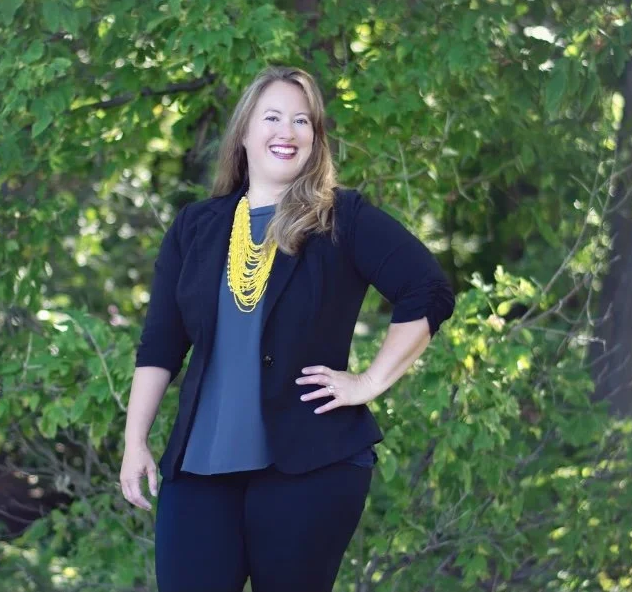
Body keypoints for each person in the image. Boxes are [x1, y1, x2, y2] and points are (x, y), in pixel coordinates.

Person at [120, 65, 455, 592]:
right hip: (200, 468)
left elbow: (428, 290)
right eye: (273, 117)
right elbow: (160, 345)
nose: (288, 131)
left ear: (315, 139)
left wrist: (369, 382)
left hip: (310, 469)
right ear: (244, 132)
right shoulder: (195, 227)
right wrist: (135, 440)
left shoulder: (342, 218)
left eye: (303, 121)